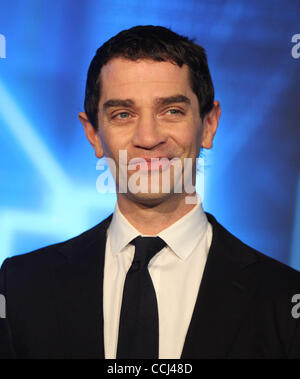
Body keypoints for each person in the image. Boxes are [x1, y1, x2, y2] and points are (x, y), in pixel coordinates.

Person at [1, 25, 300, 359]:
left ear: (209, 124)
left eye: (171, 111)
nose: (148, 137)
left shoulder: (284, 297)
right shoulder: (21, 287)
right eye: (123, 114)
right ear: (94, 134)